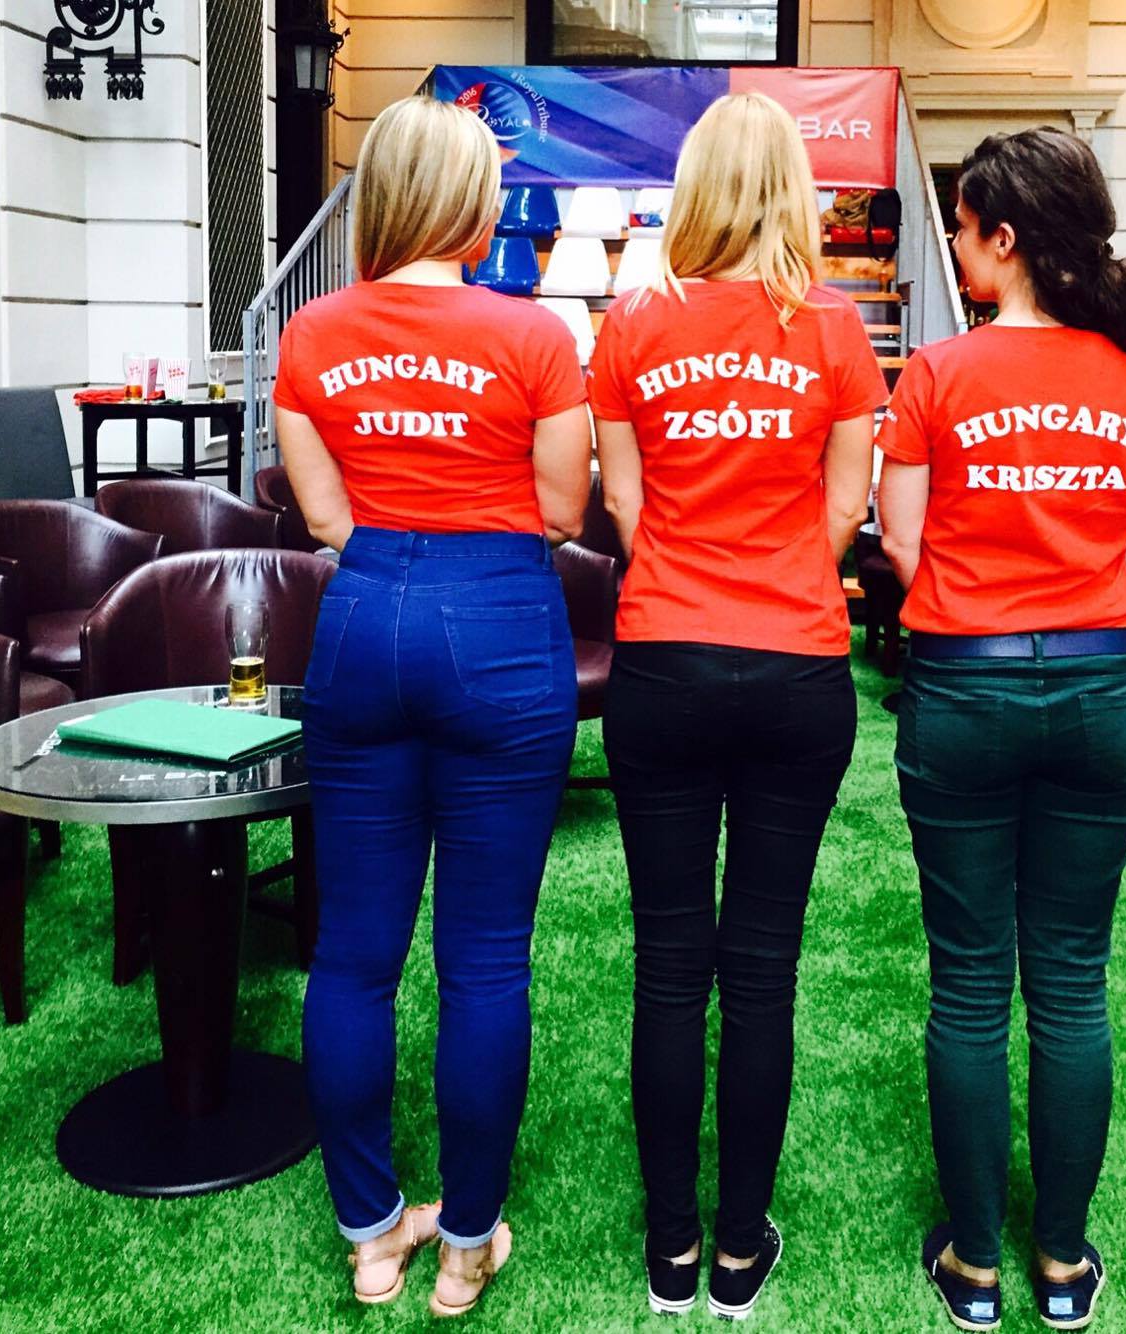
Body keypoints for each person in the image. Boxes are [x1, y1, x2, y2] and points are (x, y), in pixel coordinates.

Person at [876, 128, 1126, 1331]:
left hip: (963, 687)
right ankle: (1060, 1263)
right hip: (1097, 686)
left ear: (1002, 236)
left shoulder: (938, 373)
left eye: (962, 227)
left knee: (968, 983)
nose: (957, 246)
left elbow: (898, 541)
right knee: (1068, 979)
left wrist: (984, 597)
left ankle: (973, 1268)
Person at [272, 97, 590, 1316]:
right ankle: (463, 1244)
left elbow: (323, 514)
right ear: (469, 202)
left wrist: (403, 540)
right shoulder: (532, 333)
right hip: (498, 619)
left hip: (364, 614)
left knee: (354, 954)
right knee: (483, 957)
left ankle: (370, 1237)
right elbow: (560, 508)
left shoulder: (313, 332)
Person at [588, 91, 884, 1322]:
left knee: (669, 965)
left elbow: (621, 504)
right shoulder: (836, 329)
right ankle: (738, 1248)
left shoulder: (631, 321)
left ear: (696, 187)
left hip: (663, 660)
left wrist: (688, 573)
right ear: (794, 192)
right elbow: (843, 513)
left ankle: (670, 1247)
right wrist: (774, 578)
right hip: (794, 666)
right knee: (761, 969)